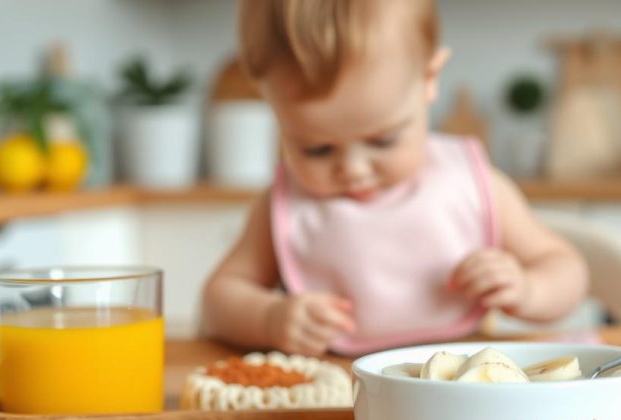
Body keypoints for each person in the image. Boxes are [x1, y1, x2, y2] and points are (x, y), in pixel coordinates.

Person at [202, 0, 588, 357]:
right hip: (339, 398)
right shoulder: (285, 204)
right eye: (316, 149)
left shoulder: (470, 183)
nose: (353, 169)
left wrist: (528, 288)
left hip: (464, 390)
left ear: (429, 79)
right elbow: (218, 299)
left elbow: (566, 270)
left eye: (382, 140)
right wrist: (270, 318)